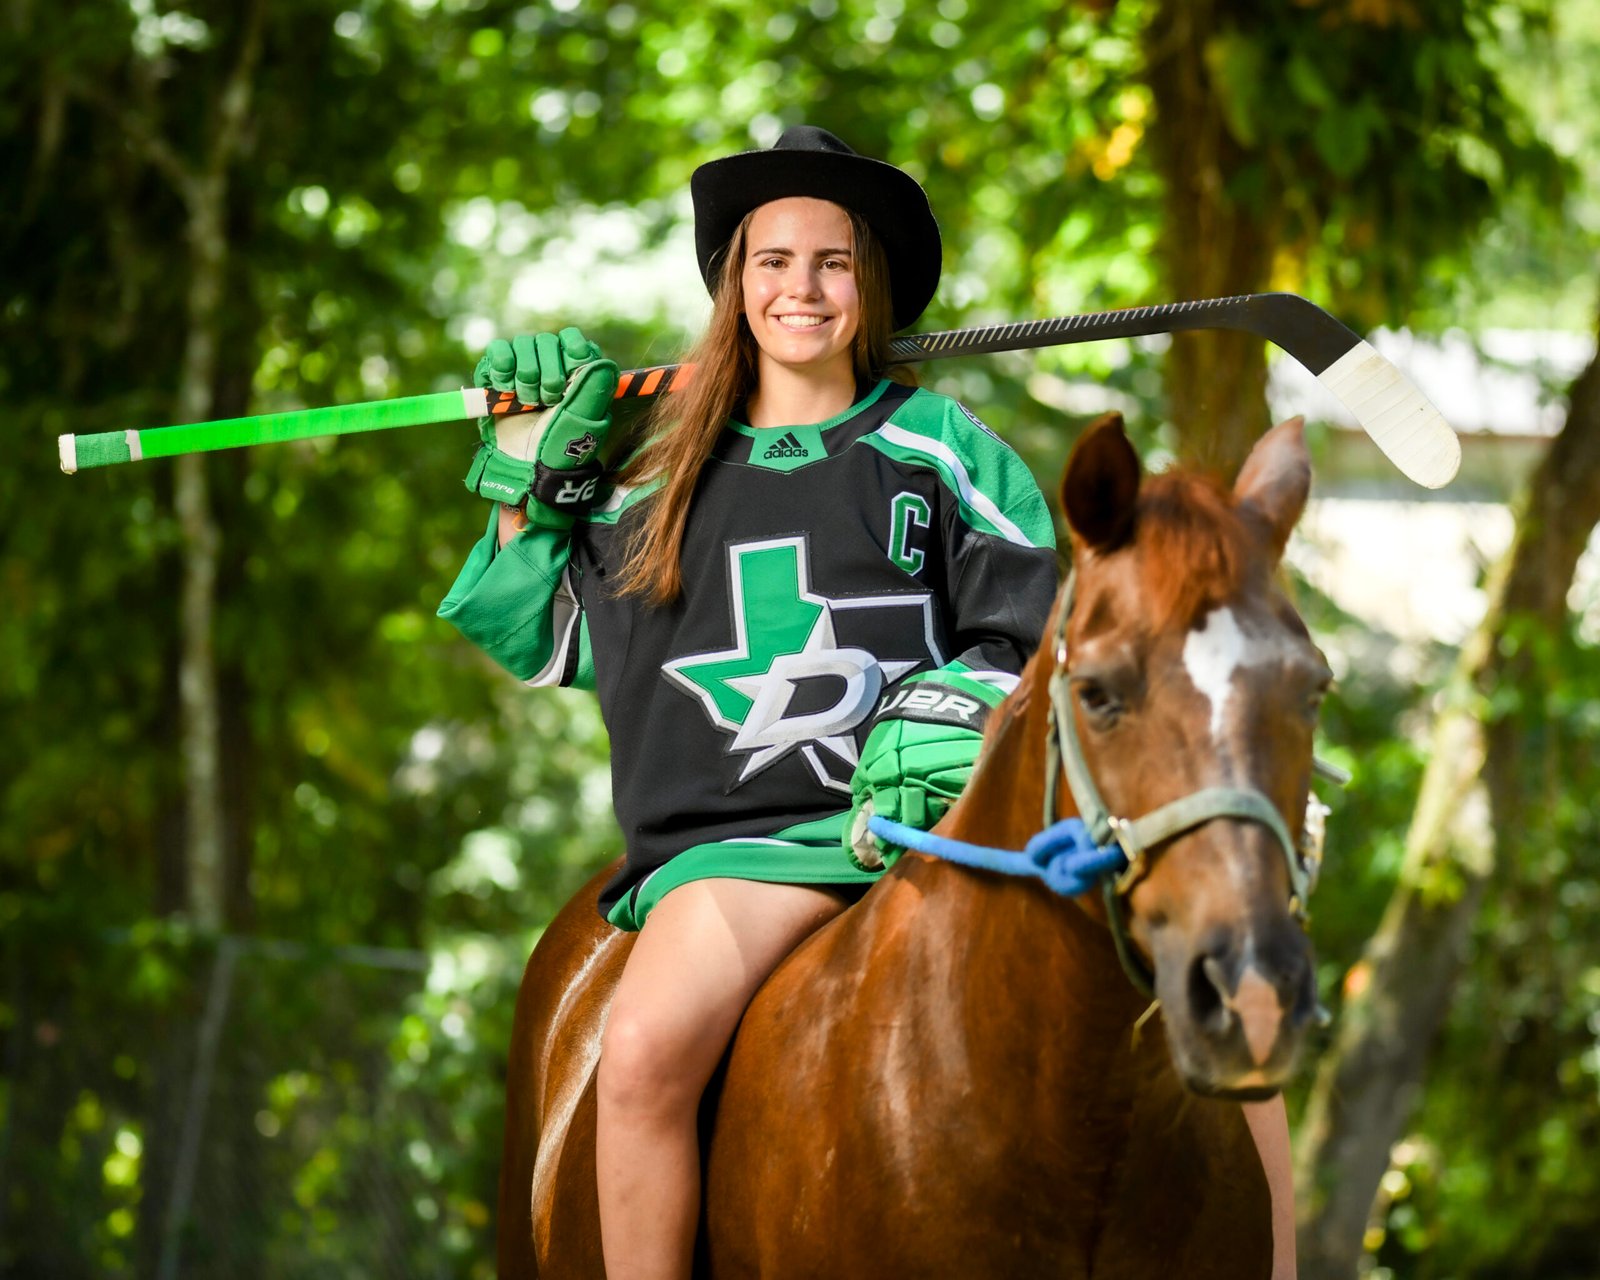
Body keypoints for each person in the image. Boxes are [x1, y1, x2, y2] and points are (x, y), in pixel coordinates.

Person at [438, 125, 1295, 1280]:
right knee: (639, 1046)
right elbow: (550, 639)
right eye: (773, 260)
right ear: (735, 282)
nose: (802, 287)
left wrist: (951, 702)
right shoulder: (654, 481)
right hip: (743, 853)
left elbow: (1032, 640)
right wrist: (525, 475)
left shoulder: (943, 450)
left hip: (938, 838)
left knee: (1235, 1011)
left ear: (868, 285)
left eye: (832, 262)